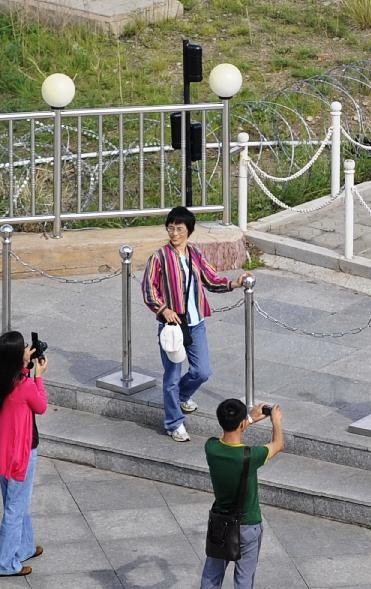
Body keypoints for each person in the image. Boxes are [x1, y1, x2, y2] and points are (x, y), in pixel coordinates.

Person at [142, 206, 251, 442]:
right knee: (171, 375)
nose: (174, 233)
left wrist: (234, 283)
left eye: (179, 229)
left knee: (202, 371)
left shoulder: (194, 254)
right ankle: (174, 423)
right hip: (171, 326)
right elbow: (149, 289)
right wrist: (164, 310)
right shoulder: (159, 257)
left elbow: (211, 279)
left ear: (189, 231)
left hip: (195, 322)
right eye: (170, 228)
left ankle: (181, 396)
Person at [201, 398, 284, 589]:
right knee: (244, 579)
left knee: (211, 575)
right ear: (241, 424)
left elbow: (231, 433)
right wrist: (276, 421)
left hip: (221, 524)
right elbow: (278, 444)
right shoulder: (250, 455)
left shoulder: (211, 448)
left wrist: (249, 419)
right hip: (248, 525)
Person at [0, 331, 48, 577]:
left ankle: (24, 547)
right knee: (14, 506)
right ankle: (4, 563)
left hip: (3, 449)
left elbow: (5, 374)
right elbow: (41, 406)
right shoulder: (24, 385)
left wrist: (23, 365)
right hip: (22, 452)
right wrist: (38, 377)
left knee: (16, 502)